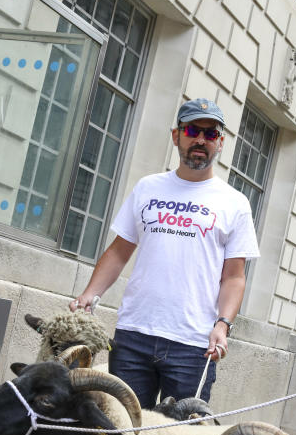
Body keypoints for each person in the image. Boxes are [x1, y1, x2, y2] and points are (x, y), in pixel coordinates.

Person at [71, 98, 259, 406]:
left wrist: (222, 325)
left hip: (194, 345)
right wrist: (89, 294)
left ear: (220, 142)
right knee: (121, 434)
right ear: (176, 136)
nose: (201, 140)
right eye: (193, 131)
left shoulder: (235, 203)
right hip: (134, 334)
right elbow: (119, 251)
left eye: (210, 134)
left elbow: (234, 277)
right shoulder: (148, 188)